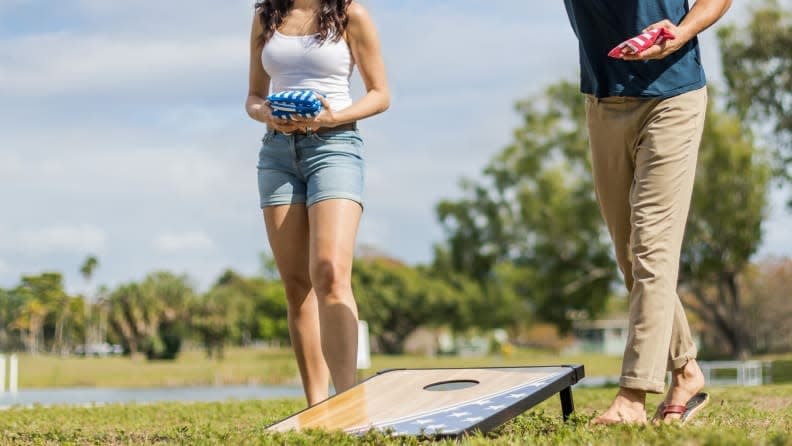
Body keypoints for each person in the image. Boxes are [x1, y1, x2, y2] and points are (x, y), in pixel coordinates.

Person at [561, 0, 732, 424]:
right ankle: (687, 372)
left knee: (653, 249)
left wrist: (685, 29)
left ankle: (633, 396)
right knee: (630, 257)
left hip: (672, 96)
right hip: (604, 100)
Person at [245, 0, 389, 406]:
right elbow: (254, 96)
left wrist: (330, 118)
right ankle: (315, 406)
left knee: (329, 271)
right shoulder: (265, 16)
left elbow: (380, 94)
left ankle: (346, 401)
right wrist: (268, 115)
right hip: (277, 154)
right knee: (296, 286)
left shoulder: (350, 14)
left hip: (336, 146)